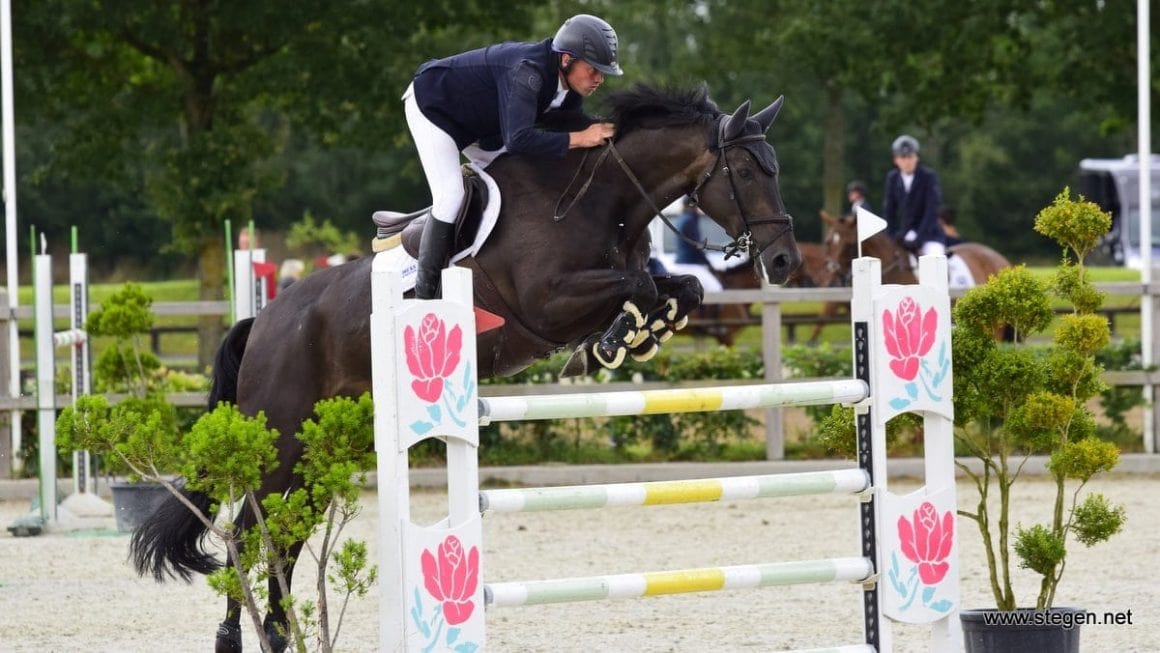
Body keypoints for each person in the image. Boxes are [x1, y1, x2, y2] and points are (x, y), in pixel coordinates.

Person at [403, 14, 623, 299]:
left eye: (602, 72)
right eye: (593, 69)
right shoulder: (527, 72)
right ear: (567, 59)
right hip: (435, 110)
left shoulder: (568, 90)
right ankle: (426, 298)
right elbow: (519, 139)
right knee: (450, 196)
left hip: (483, 128)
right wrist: (581, 138)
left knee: (522, 178)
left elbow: (577, 126)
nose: (599, 79)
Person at [881, 135, 946, 256]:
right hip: (905, 234)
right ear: (896, 160)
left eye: (910, 157)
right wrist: (890, 236)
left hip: (929, 235)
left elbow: (932, 210)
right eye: (903, 157)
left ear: (917, 157)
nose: (907, 161)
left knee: (935, 258)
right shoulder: (892, 178)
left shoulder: (928, 177)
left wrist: (919, 238)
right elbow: (889, 211)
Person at [671, 197, 723, 293]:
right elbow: (696, 247)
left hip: (682, 263)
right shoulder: (690, 220)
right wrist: (710, 265)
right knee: (716, 289)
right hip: (690, 265)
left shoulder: (682, 218)